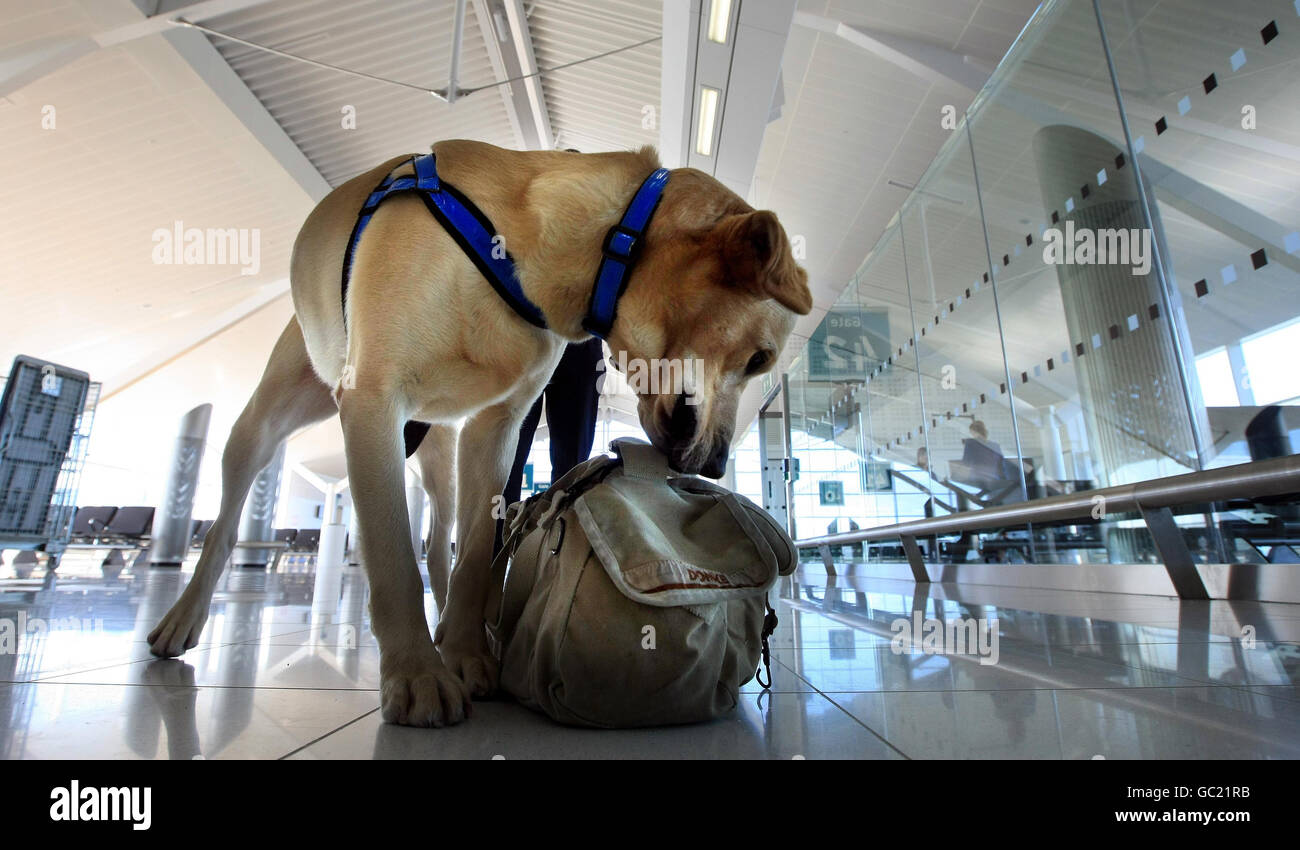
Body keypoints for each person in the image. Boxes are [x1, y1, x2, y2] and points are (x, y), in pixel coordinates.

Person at [493, 337, 605, 556]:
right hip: (524, 336)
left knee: (571, 476)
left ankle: (557, 563)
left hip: (580, 342)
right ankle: (491, 567)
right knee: (503, 468)